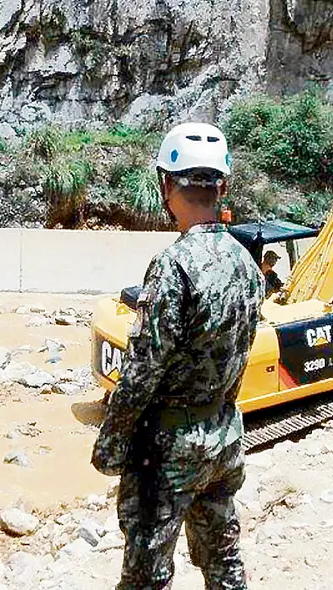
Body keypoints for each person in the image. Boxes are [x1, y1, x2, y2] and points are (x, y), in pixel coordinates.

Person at [92, 122, 264, 589]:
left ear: (167, 184)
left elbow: (142, 371)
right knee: (223, 560)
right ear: (221, 185)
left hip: (169, 452)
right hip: (225, 438)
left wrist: (110, 445)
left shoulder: (173, 266)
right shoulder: (247, 264)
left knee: (146, 576)